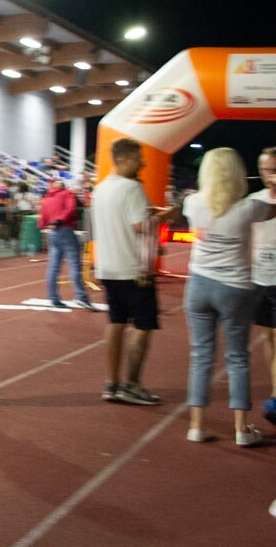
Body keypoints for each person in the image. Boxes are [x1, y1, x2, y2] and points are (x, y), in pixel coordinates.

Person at [182, 148, 276, 445]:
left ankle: (196, 425)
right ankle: (241, 429)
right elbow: (272, 207)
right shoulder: (248, 207)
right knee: (237, 358)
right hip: (234, 288)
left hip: (198, 286)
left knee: (200, 357)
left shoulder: (192, 202)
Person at [91, 137, 171, 405]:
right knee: (143, 326)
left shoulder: (99, 189)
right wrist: (167, 215)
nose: (143, 163)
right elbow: (140, 226)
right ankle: (132, 385)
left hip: (108, 267)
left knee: (115, 322)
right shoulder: (131, 188)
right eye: (138, 158)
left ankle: (111, 384)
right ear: (123, 159)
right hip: (133, 269)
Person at [39, 178, 92, 308]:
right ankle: (81, 296)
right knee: (75, 264)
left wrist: (50, 224)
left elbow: (42, 220)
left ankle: (53, 297)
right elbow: (70, 209)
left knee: (53, 267)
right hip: (65, 229)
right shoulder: (67, 193)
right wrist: (59, 220)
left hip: (52, 232)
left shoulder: (47, 198)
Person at [253, 147, 276, 425]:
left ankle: (274, 396)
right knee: (269, 337)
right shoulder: (254, 201)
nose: (273, 175)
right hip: (259, 278)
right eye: (269, 170)